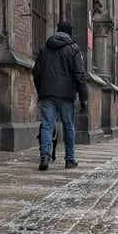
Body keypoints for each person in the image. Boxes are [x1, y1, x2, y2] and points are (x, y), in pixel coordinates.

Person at [32, 21, 88, 171]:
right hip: (66, 95)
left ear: (57, 32)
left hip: (47, 93)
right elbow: (79, 75)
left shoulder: (44, 48)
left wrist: (41, 91)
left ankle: (44, 158)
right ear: (69, 33)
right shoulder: (74, 49)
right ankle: (70, 160)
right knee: (68, 127)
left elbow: (36, 72)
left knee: (47, 125)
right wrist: (83, 98)